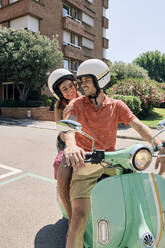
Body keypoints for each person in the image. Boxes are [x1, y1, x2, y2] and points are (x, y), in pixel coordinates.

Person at [59, 59, 165, 248]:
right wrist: (72, 146)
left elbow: (139, 126)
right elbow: (68, 129)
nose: (82, 85)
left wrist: (160, 145)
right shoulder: (77, 104)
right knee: (79, 217)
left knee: (138, 197)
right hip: (85, 163)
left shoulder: (117, 105)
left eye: (86, 80)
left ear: (100, 80)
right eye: (81, 81)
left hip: (112, 162)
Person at [48, 68, 81, 221]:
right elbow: (61, 131)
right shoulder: (60, 106)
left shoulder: (84, 99)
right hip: (65, 142)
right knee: (61, 167)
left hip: (83, 139)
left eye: (70, 86)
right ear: (60, 93)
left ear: (75, 85)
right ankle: (70, 215)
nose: (69, 91)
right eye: (64, 89)